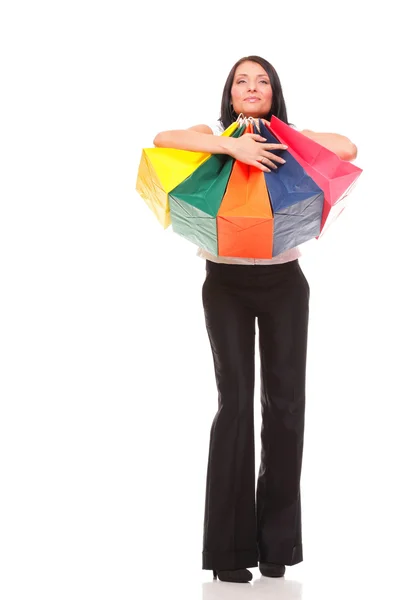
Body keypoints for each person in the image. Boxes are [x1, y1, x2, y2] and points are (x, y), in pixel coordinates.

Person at [153, 55, 358, 584]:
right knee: (235, 403)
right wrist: (231, 144)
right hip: (225, 286)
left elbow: (347, 149)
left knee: (286, 407)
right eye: (242, 80)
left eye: (261, 81)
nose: (251, 86)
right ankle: (227, 550)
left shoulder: (293, 136)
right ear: (229, 91)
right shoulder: (210, 134)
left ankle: (277, 546)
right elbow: (164, 136)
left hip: (285, 285)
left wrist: (279, 138)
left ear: (273, 92)